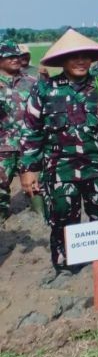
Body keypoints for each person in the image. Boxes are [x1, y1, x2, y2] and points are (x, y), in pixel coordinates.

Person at [19, 29, 98, 270]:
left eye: (85, 56)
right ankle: (65, 267)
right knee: (62, 220)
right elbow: (31, 130)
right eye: (73, 57)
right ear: (62, 61)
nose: (80, 61)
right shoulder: (45, 89)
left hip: (97, 168)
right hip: (60, 170)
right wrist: (29, 169)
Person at [0, 41, 43, 222]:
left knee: (36, 189)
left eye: (16, 56)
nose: (15, 59)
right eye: (9, 56)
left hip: (29, 147)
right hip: (2, 148)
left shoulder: (32, 82)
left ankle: (40, 219)